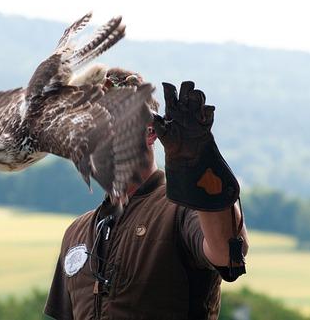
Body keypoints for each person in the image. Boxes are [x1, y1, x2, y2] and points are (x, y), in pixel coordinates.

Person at [44, 68, 249, 320]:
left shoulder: (182, 207)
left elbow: (229, 255)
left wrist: (199, 166)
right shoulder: (76, 232)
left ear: (151, 131)